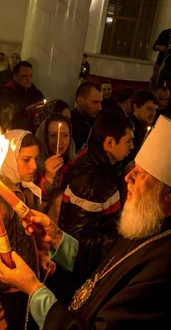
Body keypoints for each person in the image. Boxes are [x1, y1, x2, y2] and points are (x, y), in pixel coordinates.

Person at [0, 116, 171, 329]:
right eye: (134, 168)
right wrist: (57, 237)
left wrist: (34, 289)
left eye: (142, 173)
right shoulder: (155, 221)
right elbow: (107, 260)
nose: (128, 177)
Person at [0, 130, 47, 330]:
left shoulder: (21, 187)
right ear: (7, 159)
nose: (34, 166)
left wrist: (39, 255)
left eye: (35, 158)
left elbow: (21, 238)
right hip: (7, 295)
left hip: (22, 286)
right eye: (26, 159)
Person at [59, 110, 134, 286]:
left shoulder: (106, 168)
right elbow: (78, 239)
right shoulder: (92, 182)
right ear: (109, 142)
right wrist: (120, 240)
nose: (132, 147)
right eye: (128, 141)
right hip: (82, 275)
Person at [35, 113, 76, 205]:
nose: (60, 141)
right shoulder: (34, 165)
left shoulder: (76, 162)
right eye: (53, 135)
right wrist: (48, 177)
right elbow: (37, 205)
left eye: (65, 135)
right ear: (44, 137)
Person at [0, 61, 45, 131]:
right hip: (13, 134)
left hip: (31, 134)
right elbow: (3, 116)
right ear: (15, 76)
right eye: (24, 76)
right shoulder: (6, 92)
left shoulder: (34, 92)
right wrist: (26, 111)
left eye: (31, 75)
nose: (29, 79)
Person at [70, 83, 103, 151]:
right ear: (80, 101)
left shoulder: (93, 121)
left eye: (100, 102)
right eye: (95, 102)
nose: (100, 108)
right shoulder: (69, 124)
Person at [129, 90, 158, 158]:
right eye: (149, 109)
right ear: (136, 107)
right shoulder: (128, 127)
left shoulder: (145, 127)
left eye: (155, 110)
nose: (153, 113)